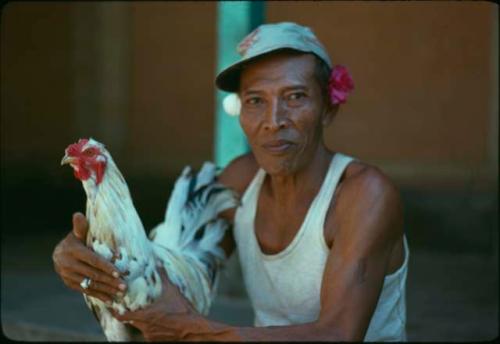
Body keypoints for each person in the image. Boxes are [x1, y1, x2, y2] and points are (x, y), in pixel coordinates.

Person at [52, 22, 409, 341]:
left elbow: (338, 335)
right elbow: (181, 263)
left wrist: (190, 328)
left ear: (328, 109)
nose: (274, 120)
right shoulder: (242, 178)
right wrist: (95, 257)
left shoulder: (364, 194)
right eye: (255, 101)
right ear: (241, 112)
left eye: (295, 97)